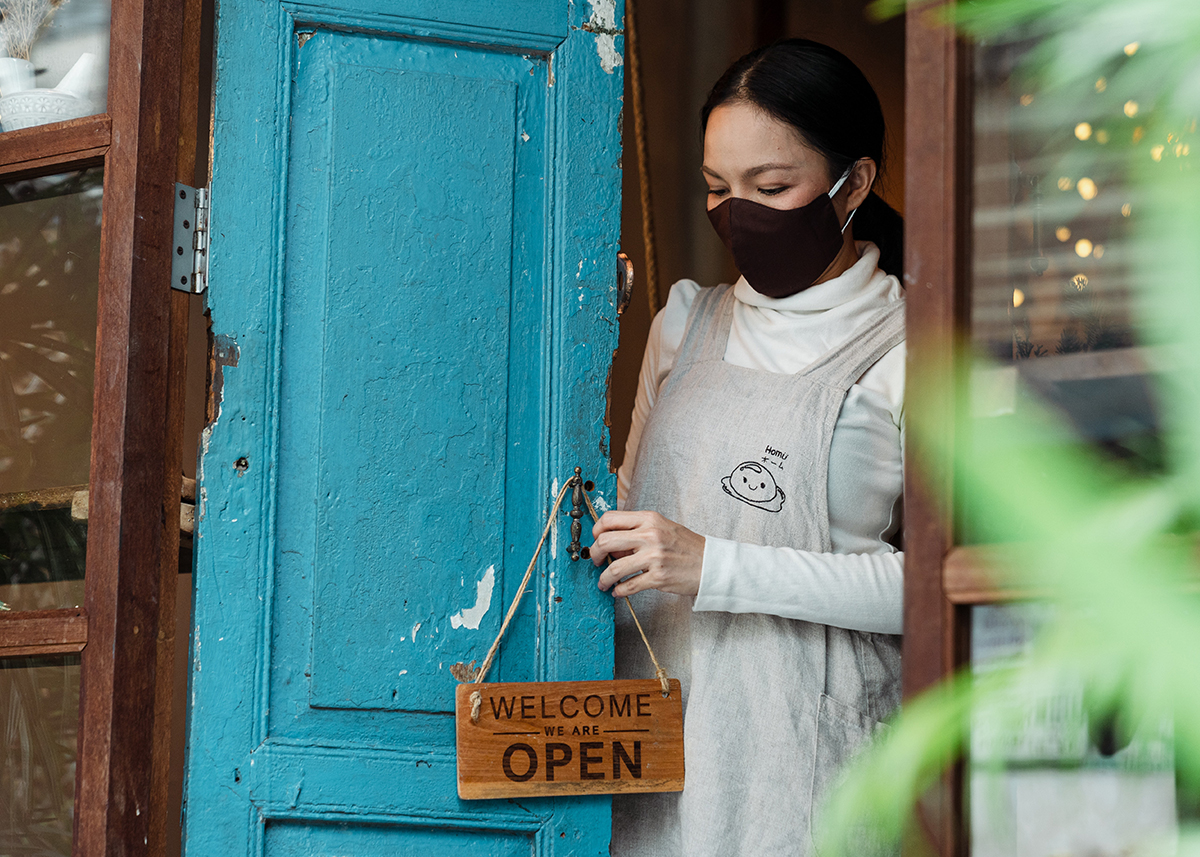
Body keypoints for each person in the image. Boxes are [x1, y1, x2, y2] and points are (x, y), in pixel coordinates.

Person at [588, 38, 906, 855]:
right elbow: (626, 522)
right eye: (716, 190)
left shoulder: (910, 346)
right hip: (652, 744)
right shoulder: (683, 326)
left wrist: (714, 564)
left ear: (856, 183)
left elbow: (928, 590)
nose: (740, 214)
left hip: (806, 758)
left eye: (771, 187)